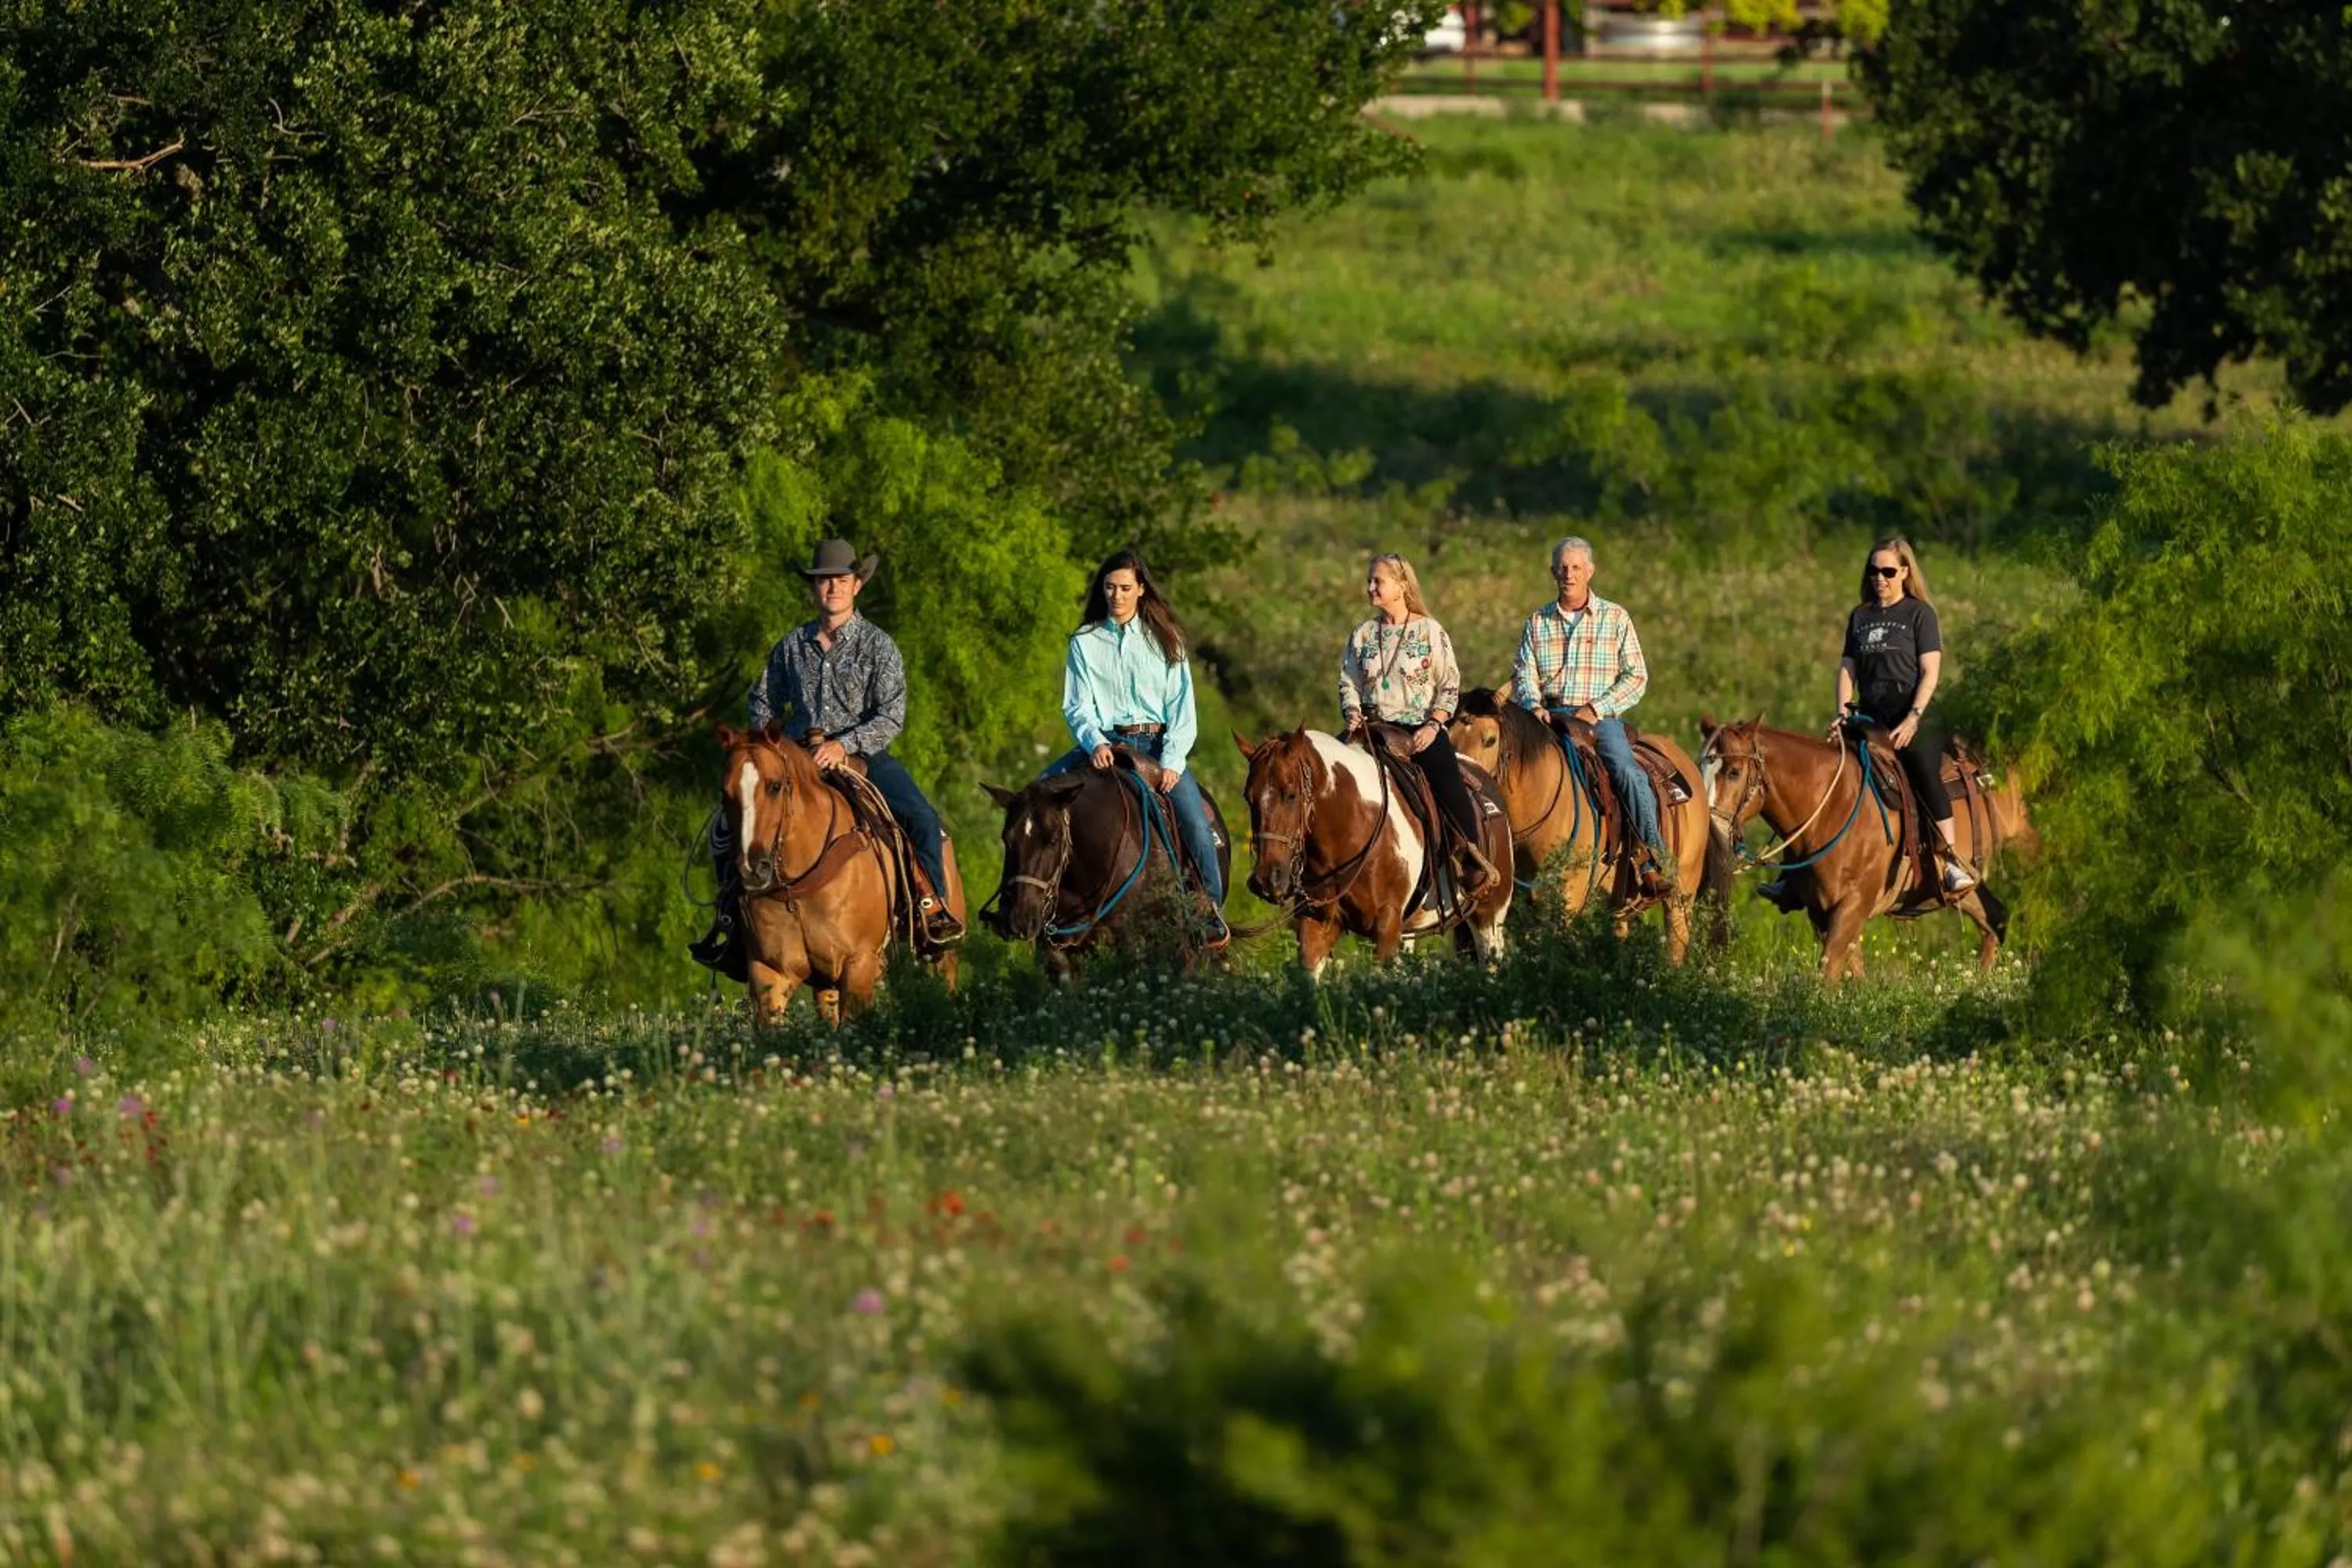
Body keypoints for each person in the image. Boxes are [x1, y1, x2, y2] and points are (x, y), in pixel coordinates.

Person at [690, 538, 963, 974]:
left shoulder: (878, 646)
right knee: (727, 826)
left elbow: (891, 715)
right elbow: (761, 701)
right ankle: (729, 921)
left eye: (840, 580)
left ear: (857, 585)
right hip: (796, 758)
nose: (832, 587)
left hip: (863, 758)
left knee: (921, 818)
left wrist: (844, 745)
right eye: (823, 581)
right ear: (813, 589)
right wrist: (775, 747)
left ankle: (931, 910)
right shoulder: (790, 647)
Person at [1045, 550, 1229, 946]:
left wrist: (1172, 761)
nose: (1117, 595)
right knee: (1038, 796)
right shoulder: (1084, 641)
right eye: (1110, 587)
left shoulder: (1167, 639)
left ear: (1141, 589)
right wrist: (1095, 742)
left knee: (1196, 822)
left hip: (1157, 746)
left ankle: (1210, 910)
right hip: (1105, 744)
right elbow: (1077, 706)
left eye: (1126, 588)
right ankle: (1034, 906)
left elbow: (1182, 709)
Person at [1508, 535, 1670, 895]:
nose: (1569, 574)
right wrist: (1534, 706)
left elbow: (1636, 676)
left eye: (1576, 568)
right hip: (1548, 717)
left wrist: (1596, 708)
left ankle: (1651, 857)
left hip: (1599, 719)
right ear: (1553, 572)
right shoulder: (1537, 621)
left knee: (1626, 771)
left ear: (1590, 571)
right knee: (1509, 769)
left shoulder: (1615, 617)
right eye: (1563, 568)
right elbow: (1523, 674)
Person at [1339, 554, 1497, 896]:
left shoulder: (1429, 631)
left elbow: (1449, 683)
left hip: (1417, 728)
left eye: (1378, 581)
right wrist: (1351, 710)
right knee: (1330, 773)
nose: (1370, 587)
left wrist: (1434, 725)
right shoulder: (1362, 634)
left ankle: (1471, 856)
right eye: (1369, 581)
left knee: (1447, 779)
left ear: (1402, 586)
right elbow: (1349, 681)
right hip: (1371, 727)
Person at [1832, 535, 1978, 895]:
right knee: (1830, 766)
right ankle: (1799, 871)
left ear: (1904, 572)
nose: (1879, 578)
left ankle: (1950, 860)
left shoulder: (1919, 614)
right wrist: (1842, 712)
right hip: (1870, 713)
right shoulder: (1860, 617)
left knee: (1923, 769)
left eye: (1887, 571)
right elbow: (1848, 669)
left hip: (1912, 709)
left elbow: (1930, 672)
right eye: (1873, 571)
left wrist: (1913, 717)